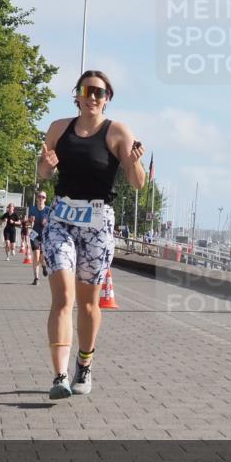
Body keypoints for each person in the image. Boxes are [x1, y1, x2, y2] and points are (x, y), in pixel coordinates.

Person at [38, 70, 145, 399]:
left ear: (107, 98)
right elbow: (41, 175)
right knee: (63, 298)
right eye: (88, 90)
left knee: (87, 304)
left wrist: (133, 162)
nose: (93, 97)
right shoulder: (59, 128)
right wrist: (46, 163)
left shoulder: (117, 132)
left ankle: (84, 366)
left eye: (100, 92)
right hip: (61, 218)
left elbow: (137, 182)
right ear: (78, 95)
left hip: (98, 222)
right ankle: (59, 377)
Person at [27, 190, 50, 285]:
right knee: (36, 255)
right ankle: (36, 278)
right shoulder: (32, 209)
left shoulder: (48, 210)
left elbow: (52, 222)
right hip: (35, 234)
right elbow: (28, 222)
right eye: (39, 196)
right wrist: (30, 220)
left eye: (43, 197)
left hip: (45, 235)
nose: (41, 198)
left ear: (45, 199)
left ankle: (44, 266)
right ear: (37, 198)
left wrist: (46, 222)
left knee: (42, 257)